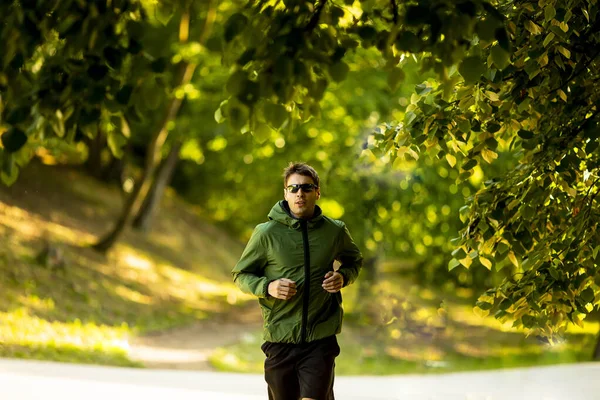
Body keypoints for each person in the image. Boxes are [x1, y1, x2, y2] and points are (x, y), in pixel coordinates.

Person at [232, 162, 363, 400]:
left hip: (320, 338)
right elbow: (241, 275)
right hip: (280, 337)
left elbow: (354, 261)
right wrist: (268, 287)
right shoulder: (266, 233)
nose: (299, 193)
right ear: (285, 193)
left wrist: (343, 276)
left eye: (306, 187)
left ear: (317, 192)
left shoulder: (335, 231)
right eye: (293, 188)